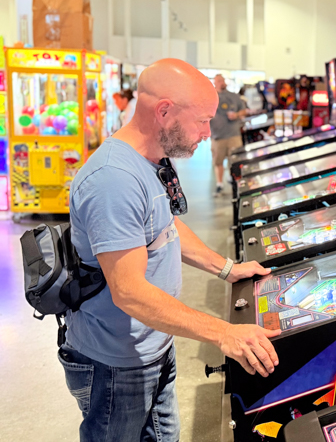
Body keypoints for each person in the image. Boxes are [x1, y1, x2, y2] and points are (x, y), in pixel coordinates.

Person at [62, 59, 280, 442]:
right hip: (116, 363)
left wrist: (228, 268)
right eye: (202, 120)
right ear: (163, 111)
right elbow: (129, 291)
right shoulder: (114, 179)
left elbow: (165, 226)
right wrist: (223, 332)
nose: (208, 132)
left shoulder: (148, 162)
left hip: (153, 344)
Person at [211, 73, 248, 195]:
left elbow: (243, 111)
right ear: (214, 83)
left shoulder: (234, 96)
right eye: (219, 81)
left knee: (236, 161)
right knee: (218, 162)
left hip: (233, 135)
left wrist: (236, 115)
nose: (221, 82)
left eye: (222, 80)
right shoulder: (211, 97)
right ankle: (219, 185)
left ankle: (235, 182)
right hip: (217, 136)